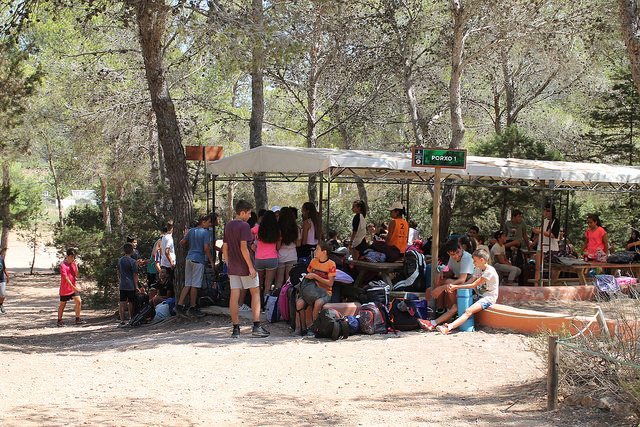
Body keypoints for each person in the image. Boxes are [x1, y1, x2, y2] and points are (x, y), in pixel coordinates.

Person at [222, 200, 270, 338]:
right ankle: (256, 326)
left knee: (234, 295)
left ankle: (235, 328)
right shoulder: (244, 226)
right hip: (245, 265)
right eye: (248, 213)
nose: (250, 216)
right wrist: (250, 267)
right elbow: (244, 248)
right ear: (242, 212)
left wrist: (228, 265)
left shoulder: (228, 226)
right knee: (255, 292)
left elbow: (225, 248)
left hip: (233, 266)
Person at [436, 249, 499, 335]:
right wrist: (454, 287)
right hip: (478, 296)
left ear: (482, 260)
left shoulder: (489, 271)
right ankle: (433, 323)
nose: (473, 263)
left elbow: (473, 285)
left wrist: (456, 287)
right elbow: (469, 282)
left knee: (468, 311)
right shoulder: (479, 269)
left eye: (475, 260)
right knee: (455, 307)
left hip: (488, 298)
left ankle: (448, 327)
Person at [422, 239, 475, 331]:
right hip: (459, 281)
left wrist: (441, 288)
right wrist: (443, 273)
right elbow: (451, 272)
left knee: (448, 284)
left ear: (461, 248)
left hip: (468, 285)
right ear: (449, 253)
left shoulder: (466, 258)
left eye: (458, 252)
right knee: (439, 279)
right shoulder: (452, 257)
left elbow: (462, 279)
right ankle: (440, 309)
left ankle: (454, 310)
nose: (456, 256)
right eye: (453, 254)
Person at [175, 213, 216, 317]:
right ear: (203, 222)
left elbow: (182, 242)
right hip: (198, 260)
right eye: (209, 222)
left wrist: (185, 235)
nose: (210, 224)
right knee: (195, 285)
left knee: (188, 283)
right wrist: (211, 261)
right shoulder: (205, 233)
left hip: (189, 258)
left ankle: (179, 305)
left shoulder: (191, 231)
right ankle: (193, 307)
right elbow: (206, 248)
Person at [295, 240, 336, 335]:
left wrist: (316, 277)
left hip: (325, 292)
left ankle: (314, 328)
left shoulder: (331, 264)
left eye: (317, 249)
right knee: (299, 303)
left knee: (318, 303)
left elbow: (330, 283)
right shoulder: (313, 262)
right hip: (311, 291)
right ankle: (300, 328)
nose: (315, 251)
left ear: (324, 252)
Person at [253, 210, 280, 308]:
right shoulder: (277, 230)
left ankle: (257, 305)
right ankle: (266, 306)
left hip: (259, 258)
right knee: (268, 284)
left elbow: (248, 232)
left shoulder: (259, 228)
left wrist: (252, 242)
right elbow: (278, 247)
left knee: (258, 283)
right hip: (272, 258)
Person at [117, 242, 144, 326]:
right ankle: (131, 318)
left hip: (122, 284)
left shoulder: (120, 260)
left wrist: (120, 280)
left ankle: (122, 320)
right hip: (130, 284)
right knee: (131, 302)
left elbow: (118, 272)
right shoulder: (133, 262)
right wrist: (136, 286)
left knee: (122, 302)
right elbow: (135, 274)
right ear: (132, 251)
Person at [57, 248, 85, 326]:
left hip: (73, 289)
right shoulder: (63, 266)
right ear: (67, 256)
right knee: (63, 304)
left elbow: (77, 275)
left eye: (74, 257)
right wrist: (72, 286)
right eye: (71, 257)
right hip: (65, 289)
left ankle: (77, 319)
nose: (73, 258)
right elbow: (66, 277)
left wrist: (76, 266)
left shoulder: (73, 265)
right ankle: (59, 320)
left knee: (79, 301)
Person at [532, 204, 561, 280]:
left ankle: (552, 284)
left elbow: (554, 235)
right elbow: (541, 235)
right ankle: (536, 284)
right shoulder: (544, 221)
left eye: (548, 211)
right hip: (541, 246)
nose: (546, 212)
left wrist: (541, 231)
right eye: (545, 210)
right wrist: (534, 243)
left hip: (552, 248)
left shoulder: (556, 222)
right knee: (538, 267)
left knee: (552, 269)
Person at [275, 207, 301, 288]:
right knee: (289, 281)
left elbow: (277, 246)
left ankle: (277, 295)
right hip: (292, 255)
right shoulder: (296, 228)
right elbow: (298, 244)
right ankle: (287, 295)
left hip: (281, 255)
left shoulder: (278, 228)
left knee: (279, 280)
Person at [0, 248, 9, 314]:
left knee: (3, 295)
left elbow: (4, 268)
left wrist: (7, 276)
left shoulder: (1, 260)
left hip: (2, 279)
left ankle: (1, 304)